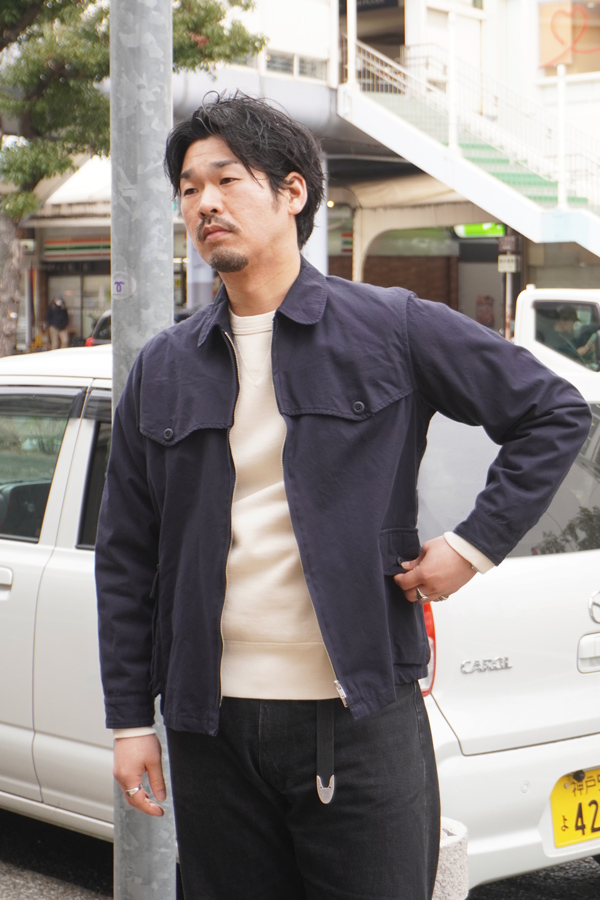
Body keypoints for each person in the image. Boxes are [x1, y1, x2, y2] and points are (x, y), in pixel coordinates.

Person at [96, 93, 591, 900]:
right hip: (208, 726)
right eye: (188, 189)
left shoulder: (391, 327)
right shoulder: (165, 365)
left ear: (293, 191)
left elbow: (554, 412)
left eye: (225, 179)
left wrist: (471, 547)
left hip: (360, 718)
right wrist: (128, 722)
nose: (204, 203)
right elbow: (126, 555)